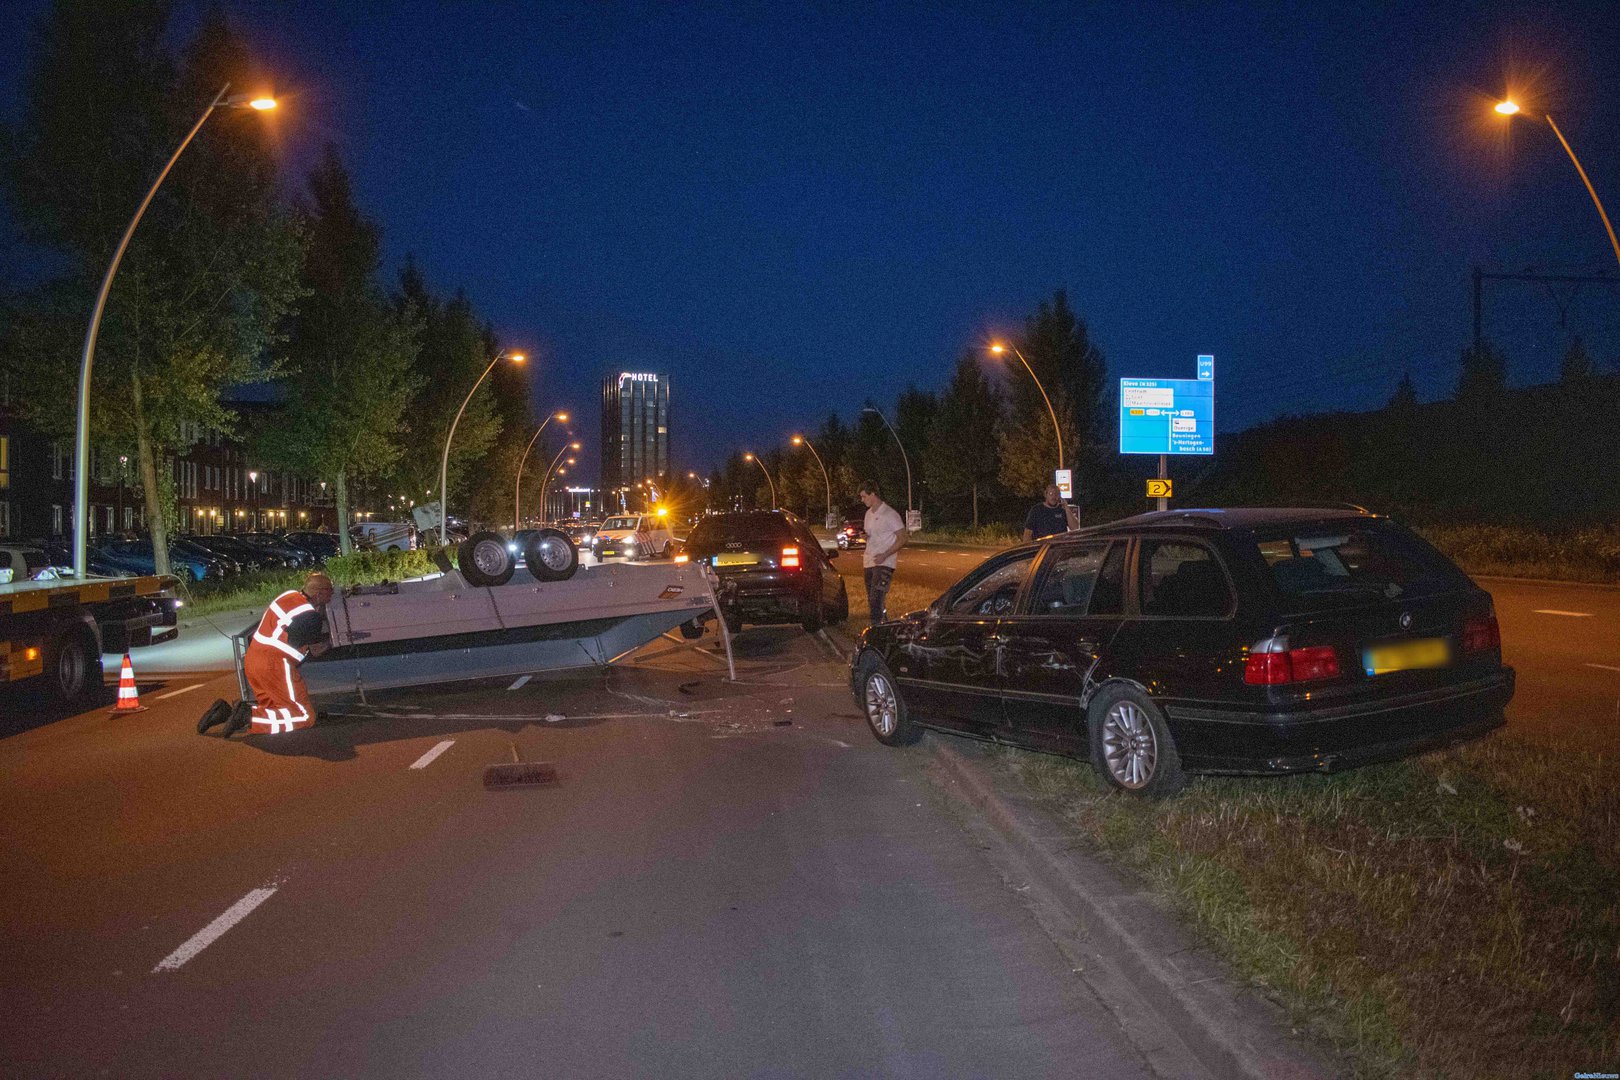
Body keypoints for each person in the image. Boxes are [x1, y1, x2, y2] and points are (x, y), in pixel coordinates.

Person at [210, 571, 335, 736]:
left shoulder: (288, 596)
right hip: (275, 665)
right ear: (319, 594)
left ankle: (225, 713)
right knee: (303, 717)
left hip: (253, 659)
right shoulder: (310, 617)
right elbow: (316, 650)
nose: (333, 594)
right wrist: (333, 643)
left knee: (274, 709)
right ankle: (249, 717)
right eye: (330, 591)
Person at [858, 481, 907, 625]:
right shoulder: (868, 514)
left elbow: (903, 537)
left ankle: (876, 630)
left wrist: (885, 555)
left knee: (876, 598)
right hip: (869, 561)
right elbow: (873, 534)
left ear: (873, 494)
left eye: (864, 496)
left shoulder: (889, 514)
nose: (862, 500)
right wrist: (865, 537)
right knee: (872, 599)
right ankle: (883, 624)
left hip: (885, 562)